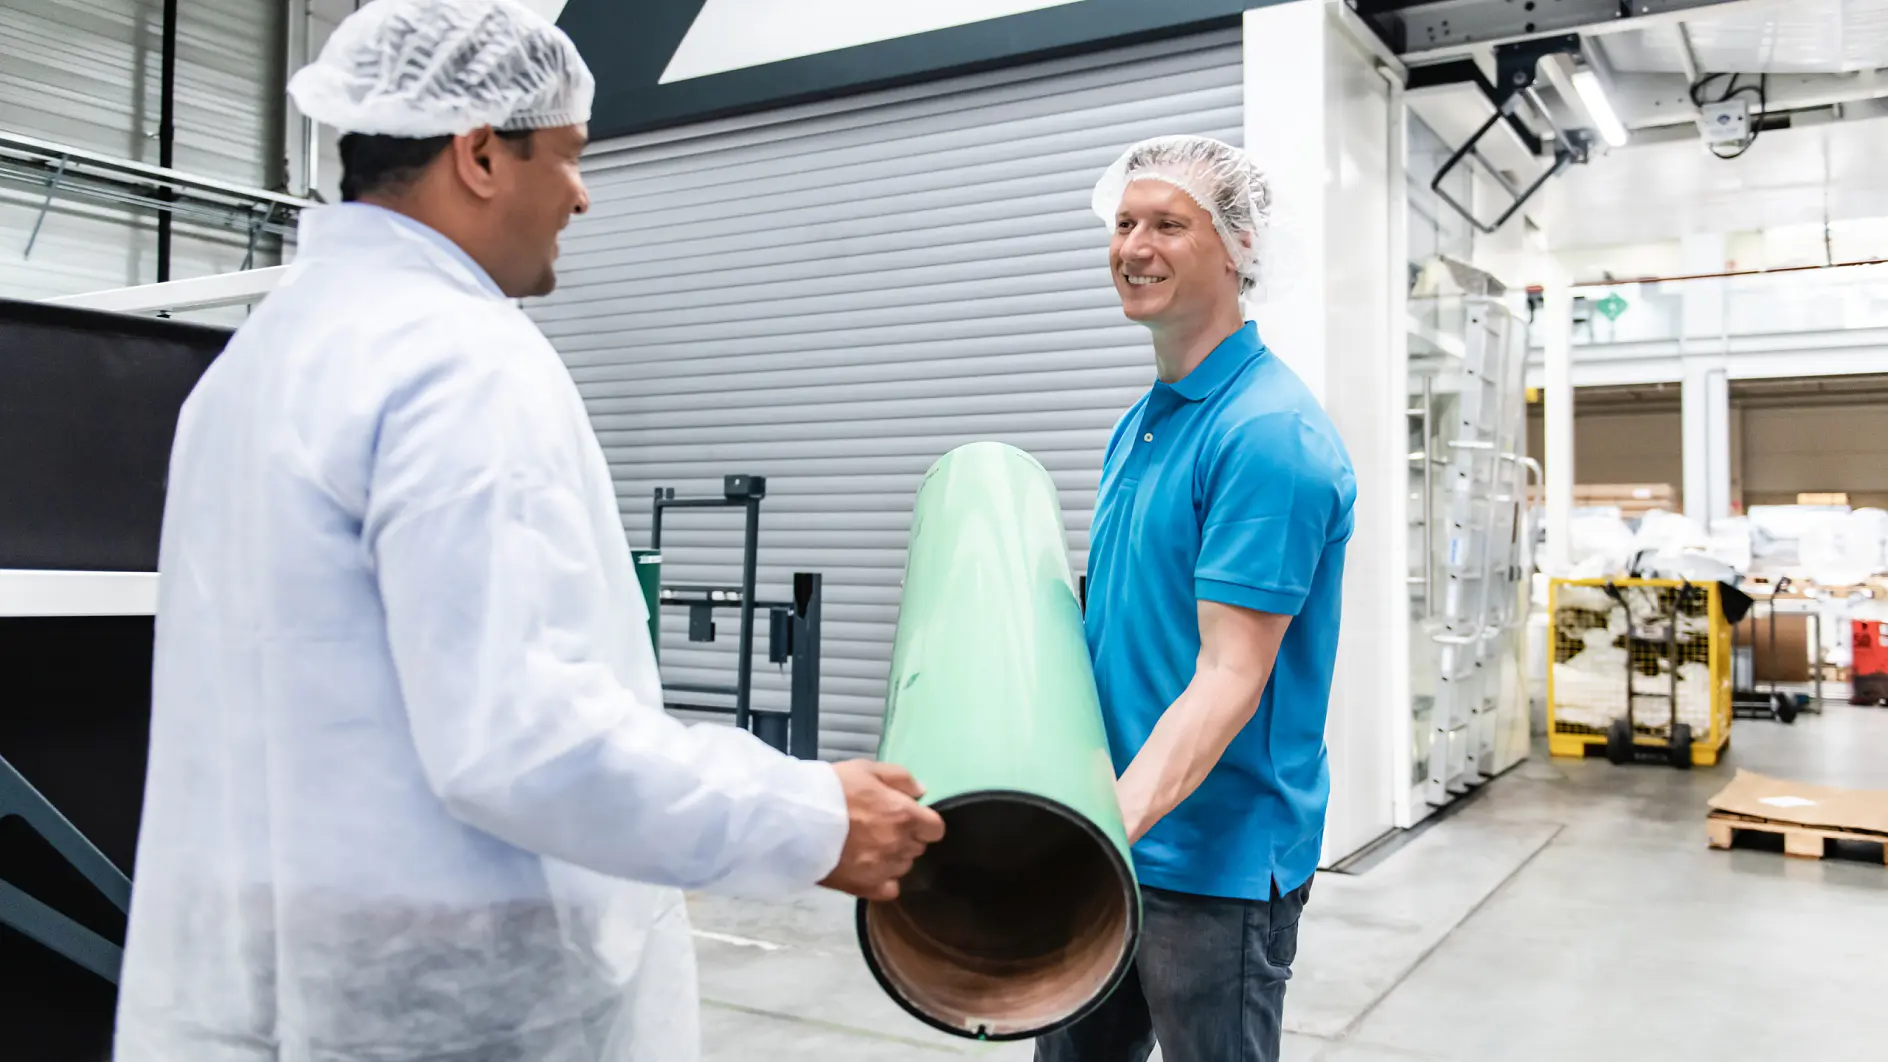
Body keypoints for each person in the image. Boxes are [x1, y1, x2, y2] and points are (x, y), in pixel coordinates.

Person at [111, 2, 942, 1060]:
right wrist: (808, 816)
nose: (582, 195)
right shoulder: (456, 359)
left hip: (267, 978)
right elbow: (519, 736)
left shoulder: (254, 365)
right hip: (443, 1003)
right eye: (570, 155)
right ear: (480, 156)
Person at [1037, 137, 1357, 1062]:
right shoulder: (1144, 421)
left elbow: (1229, 675)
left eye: (1169, 225)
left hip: (1214, 866)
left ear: (1240, 247)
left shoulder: (1269, 435)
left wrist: (1100, 827)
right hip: (1118, 838)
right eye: (1124, 222)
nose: (1134, 247)